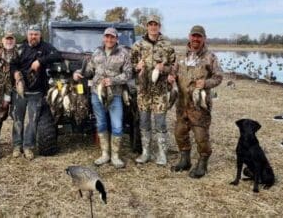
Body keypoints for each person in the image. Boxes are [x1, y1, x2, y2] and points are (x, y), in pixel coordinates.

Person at [73, 27, 132, 168]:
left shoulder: (123, 53)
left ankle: (115, 156)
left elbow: (129, 74)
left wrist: (113, 80)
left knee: (117, 125)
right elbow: (89, 71)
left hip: (115, 94)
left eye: (112, 37)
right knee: (101, 123)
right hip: (97, 93)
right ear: (103, 38)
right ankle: (105, 154)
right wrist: (77, 73)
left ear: (116, 39)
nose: (109, 40)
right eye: (107, 37)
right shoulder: (97, 52)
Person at [173, 25, 223, 178]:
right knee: (179, 133)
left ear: (204, 38)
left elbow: (218, 77)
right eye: (193, 36)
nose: (196, 39)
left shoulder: (210, 57)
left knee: (201, 136)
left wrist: (206, 83)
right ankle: (185, 159)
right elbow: (174, 72)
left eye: (199, 36)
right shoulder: (181, 56)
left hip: (199, 105)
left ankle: (203, 163)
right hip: (182, 104)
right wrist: (171, 77)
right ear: (189, 37)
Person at [10, 24, 61, 160]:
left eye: (36, 34)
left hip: (37, 92)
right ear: (27, 35)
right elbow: (12, 64)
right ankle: (16, 146)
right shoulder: (20, 48)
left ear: (40, 35)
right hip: (19, 90)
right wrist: (15, 72)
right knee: (17, 119)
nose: (33, 37)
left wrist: (40, 61)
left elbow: (58, 55)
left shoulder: (46, 47)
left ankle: (28, 147)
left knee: (32, 122)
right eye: (31, 34)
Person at [131, 15, 176, 166]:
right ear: (146, 26)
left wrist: (165, 68)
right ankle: (146, 153)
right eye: (150, 24)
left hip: (160, 92)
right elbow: (130, 67)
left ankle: (162, 154)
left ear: (159, 26)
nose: (153, 27)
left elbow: (174, 67)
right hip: (143, 92)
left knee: (161, 123)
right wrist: (137, 67)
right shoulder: (137, 45)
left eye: (155, 24)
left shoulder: (167, 45)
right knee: (144, 122)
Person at [0, 31, 19, 146]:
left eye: (11, 39)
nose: (9, 41)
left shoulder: (20, 52)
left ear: (14, 40)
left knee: (17, 115)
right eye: (7, 39)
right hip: (1, 89)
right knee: (0, 114)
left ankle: (17, 143)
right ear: (3, 40)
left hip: (16, 89)